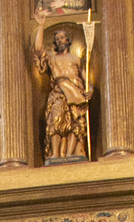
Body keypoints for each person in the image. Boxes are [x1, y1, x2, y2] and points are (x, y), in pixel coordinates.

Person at [33, 21, 93, 162]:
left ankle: (71, 153)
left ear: (68, 40)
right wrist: (41, 25)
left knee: (75, 124)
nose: (59, 40)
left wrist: (90, 89)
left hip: (76, 93)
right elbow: (37, 49)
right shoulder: (52, 58)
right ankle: (55, 154)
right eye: (57, 38)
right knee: (56, 121)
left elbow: (86, 79)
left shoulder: (76, 59)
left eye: (62, 37)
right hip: (59, 92)